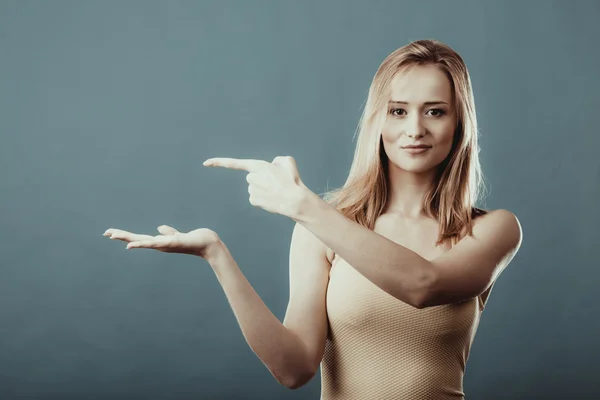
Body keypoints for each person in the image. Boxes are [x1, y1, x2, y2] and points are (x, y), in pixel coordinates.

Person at [103, 39, 522, 399]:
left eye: (434, 111)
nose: (414, 128)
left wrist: (304, 207)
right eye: (398, 111)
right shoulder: (322, 229)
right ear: (377, 120)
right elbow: (293, 369)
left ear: (459, 123)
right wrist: (216, 254)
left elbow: (422, 285)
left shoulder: (492, 229)